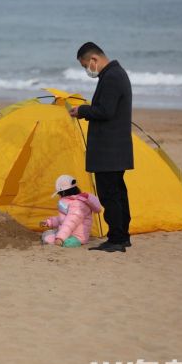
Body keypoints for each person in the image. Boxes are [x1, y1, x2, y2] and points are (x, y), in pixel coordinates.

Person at [69, 42, 133, 253]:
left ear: (94, 60)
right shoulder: (115, 74)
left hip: (110, 150)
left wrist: (83, 110)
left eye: (85, 65)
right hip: (116, 148)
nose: (86, 69)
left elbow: (105, 111)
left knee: (110, 194)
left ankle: (116, 239)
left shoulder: (112, 77)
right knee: (118, 192)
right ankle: (122, 236)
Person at [40, 175, 102, 247]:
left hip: (77, 237)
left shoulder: (78, 204)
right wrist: (49, 222)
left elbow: (70, 222)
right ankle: (60, 237)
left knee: (64, 242)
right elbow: (63, 218)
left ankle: (63, 240)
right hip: (67, 233)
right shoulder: (69, 201)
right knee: (46, 235)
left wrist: (60, 238)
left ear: (63, 192)